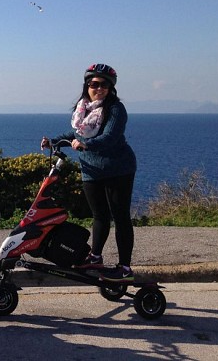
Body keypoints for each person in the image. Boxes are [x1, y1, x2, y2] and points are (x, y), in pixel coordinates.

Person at [41, 63, 137, 283]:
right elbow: (75, 134)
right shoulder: (83, 108)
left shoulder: (115, 109)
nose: (99, 88)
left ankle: (124, 267)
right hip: (92, 170)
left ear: (111, 88)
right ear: (87, 85)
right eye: (94, 84)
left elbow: (110, 137)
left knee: (120, 216)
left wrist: (86, 145)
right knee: (99, 215)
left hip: (118, 169)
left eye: (104, 85)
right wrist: (53, 141)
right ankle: (95, 258)